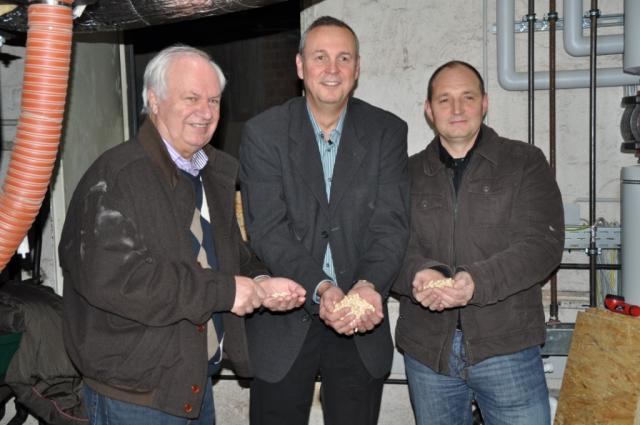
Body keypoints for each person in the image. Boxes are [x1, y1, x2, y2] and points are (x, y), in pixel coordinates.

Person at [59, 45, 306, 425]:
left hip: (191, 383)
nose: (205, 112)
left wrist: (259, 280)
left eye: (213, 100)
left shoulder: (209, 173)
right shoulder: (117, 177)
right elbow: (122, 281)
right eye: (191, 98)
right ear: (154, 101)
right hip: (135, 395)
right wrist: (226, 291)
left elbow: (230, 254)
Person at [239, 16, 410, 425]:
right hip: (285, 320)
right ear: (300, 66)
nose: (332, 69)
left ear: (357, 68)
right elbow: (268, 229)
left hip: (359, 317)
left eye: (343, 58)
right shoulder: (264, 133)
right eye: (320, 57)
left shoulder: (387, 131)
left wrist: (368, 285)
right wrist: (322, 287)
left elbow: (391, 224)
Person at [393, 60, 564, 425]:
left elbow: (542, 245)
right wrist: (419, 273)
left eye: (467, 97)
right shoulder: (405, 174)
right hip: (428, 352)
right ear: (429, 110)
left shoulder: (524, 162)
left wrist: (476, 281)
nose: (457, 109)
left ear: (484, 103)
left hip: (507, 346)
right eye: (444, 99)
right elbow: (386, 247)